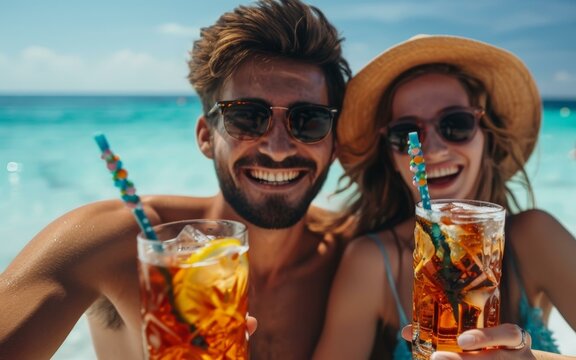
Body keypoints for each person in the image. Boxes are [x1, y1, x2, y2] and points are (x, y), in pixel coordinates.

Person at [0, 0, 351, 359]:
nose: (277, 149)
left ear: (335, 143)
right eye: (246, 117)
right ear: (205, 136)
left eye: (310, 120)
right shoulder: (118, 243)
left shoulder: (354, 254)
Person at [313, 35, 576, 360]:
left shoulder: (535, 238)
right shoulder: (372, 263)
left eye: (455, 124)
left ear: (486, 134)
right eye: (407, 132)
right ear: (392, 155)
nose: (434, 148)